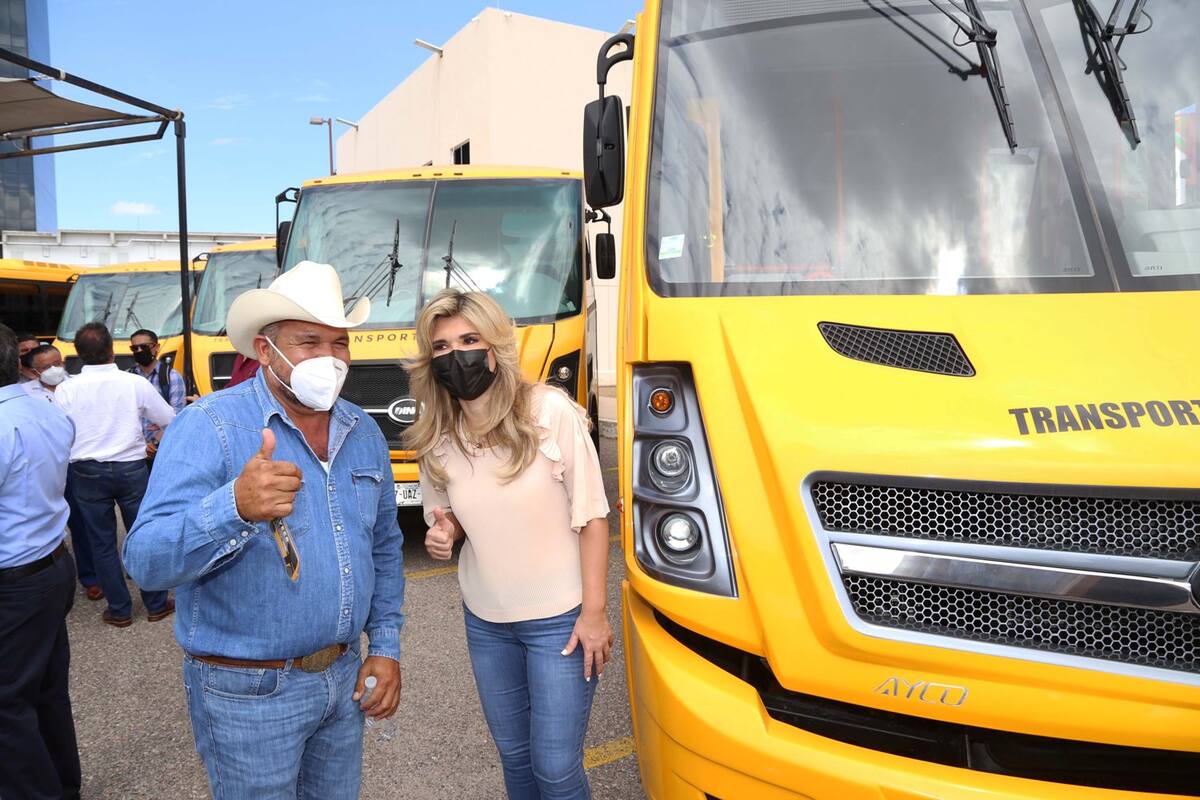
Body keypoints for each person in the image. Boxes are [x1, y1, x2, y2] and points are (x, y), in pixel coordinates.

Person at [124, 261, 405, 800]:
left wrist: (386, 645)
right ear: (264, 350)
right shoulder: (209, 426)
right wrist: (233, 506)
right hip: (247, 694)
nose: (329, 358)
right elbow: (145, 559)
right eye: (308, 341)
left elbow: (385, 544)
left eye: (339, 343)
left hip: (342, 681)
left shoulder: (361, 429)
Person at [409, 289, 611, 800]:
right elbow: (448, 516)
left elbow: (592, 517)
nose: (456, 355)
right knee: (516, 760)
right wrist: (444, 533)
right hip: (487, 622)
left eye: (469, 339)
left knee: (556, 770)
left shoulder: (548, 412)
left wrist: (595, 613)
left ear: (495, 346)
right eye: (441, 346)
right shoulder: (437, 435)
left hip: (561, 622)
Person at [0, 322, 83, 800]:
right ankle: (63, 784)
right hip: (50, 563)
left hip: (16, 579)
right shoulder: (45, 409)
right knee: (47, 690)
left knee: (7, 703)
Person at [54, 322, 176, 627]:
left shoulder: (65, 389)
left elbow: (59, 434)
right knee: (142, 535)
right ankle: (156, 604)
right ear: (112, 350)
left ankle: (120, 609)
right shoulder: (132, 383)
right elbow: (169, 419)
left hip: (86, 471)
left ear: (79, 355)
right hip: (131, 468)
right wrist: (154, 444)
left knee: (102, 542)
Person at [20, 344, 104, 601]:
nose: (55, 370)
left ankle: (93, 576)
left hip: (78, 463)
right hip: (43, 466)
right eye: (47, 367)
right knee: (50, 518)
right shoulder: (24, 395)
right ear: (33, 372)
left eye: (59, 363)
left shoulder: (79, 386)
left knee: (85, 522)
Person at [128, 328, 186, 461]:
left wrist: (154, 443)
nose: (139, 351)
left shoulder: (171, 377)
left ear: (156, 347)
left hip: (163, 450)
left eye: (144, 347)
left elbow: (177, 417)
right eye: (134, 348)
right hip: (134, 453)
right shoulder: (127, 377)